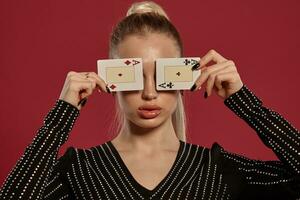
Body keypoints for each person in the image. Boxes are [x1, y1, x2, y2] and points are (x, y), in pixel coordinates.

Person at [0, 1, 299, 199]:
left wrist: (246, 103)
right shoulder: (81, 170)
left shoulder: (216, 170)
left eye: (163, 75)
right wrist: (61, 116)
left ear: (184, 76)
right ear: (112, 78)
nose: (149, 92)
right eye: (132, 74)